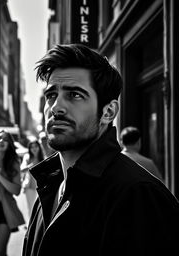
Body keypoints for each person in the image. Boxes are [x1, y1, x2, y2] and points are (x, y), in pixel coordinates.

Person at [22, 44, 179, 256]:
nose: (55, 107)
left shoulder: (137, 194)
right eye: (51, 95)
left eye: (75, 95)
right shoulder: (50, 184)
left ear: (108, 112)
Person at [20, 139, 45, 218]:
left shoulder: (43, 158)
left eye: (36, 146)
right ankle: (30, 228)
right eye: (32, 147)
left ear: (39, 147)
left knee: (41, 209)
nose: (34, 148)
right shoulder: (27, 157)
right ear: (29, 149)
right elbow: (22, 169)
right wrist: (32, 164)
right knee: (31, 209)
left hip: (42, 186)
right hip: (30, 186)